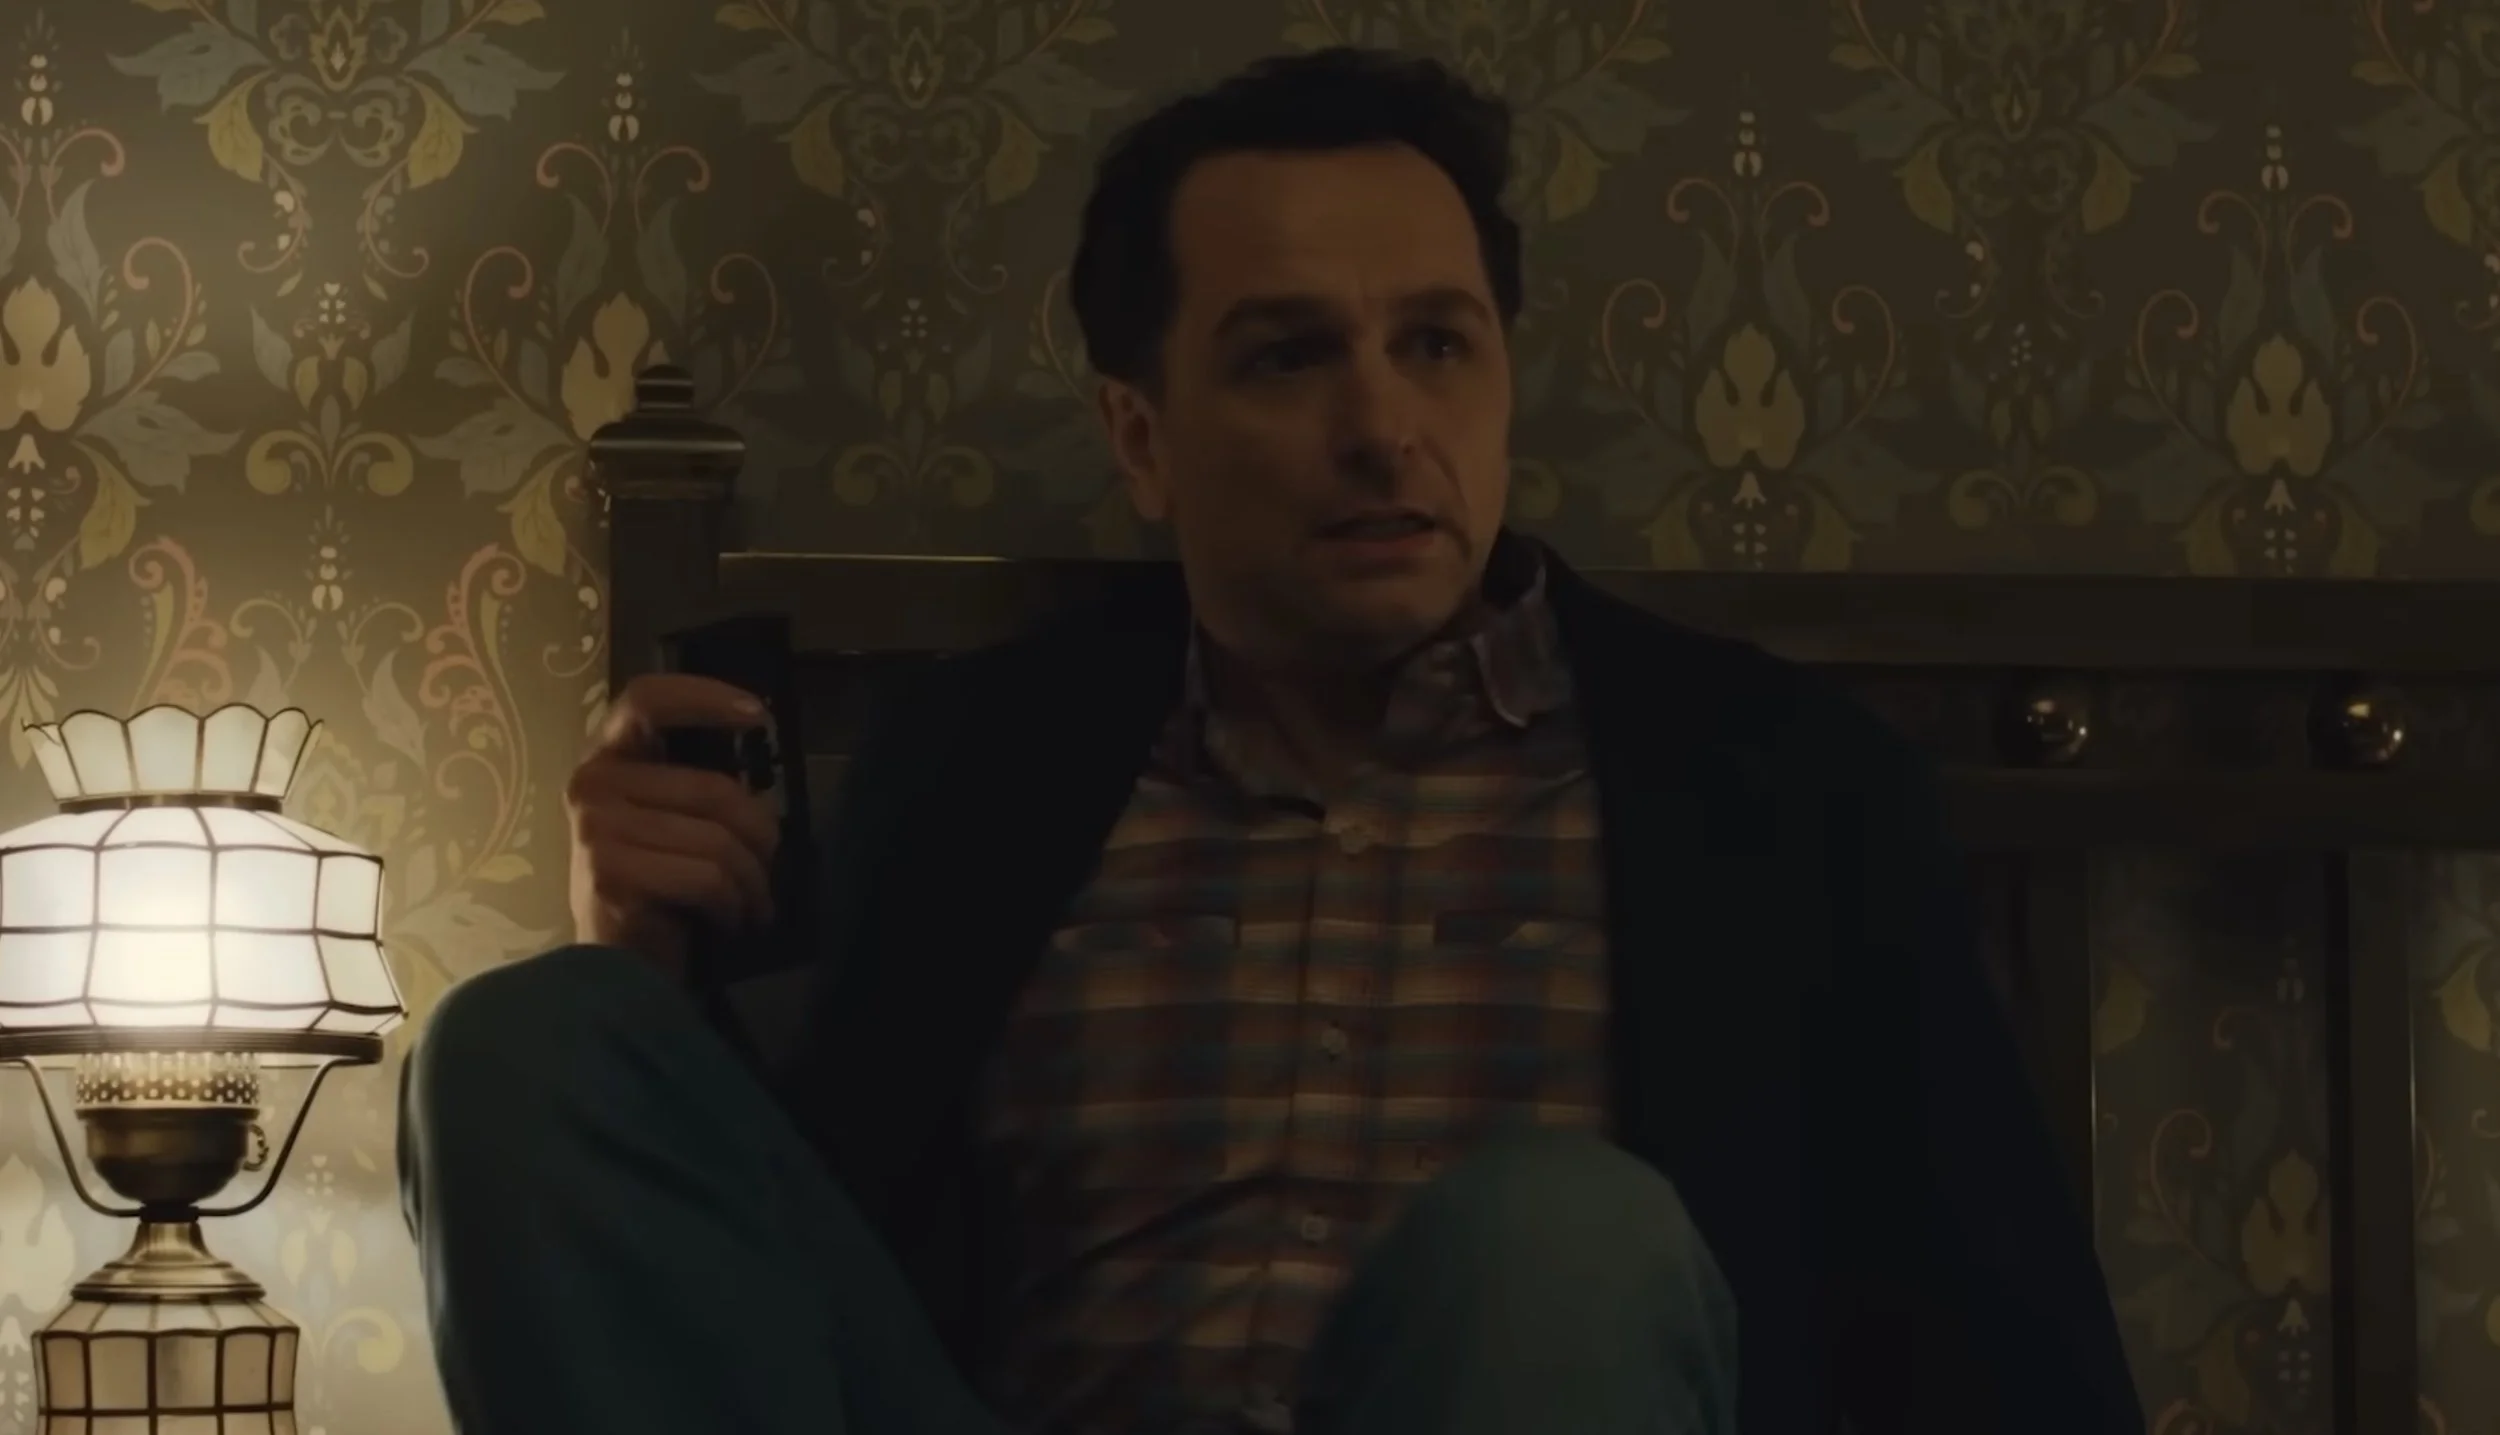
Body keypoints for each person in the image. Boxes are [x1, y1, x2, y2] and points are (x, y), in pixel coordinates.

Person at [397, 46, 2143, 1435]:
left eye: (1436, 343)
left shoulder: (1784, 787)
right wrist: (650, 969)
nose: (1384, 426)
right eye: (1289, 358)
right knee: (528, 1038)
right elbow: (782, 1289)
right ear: (1141, 437)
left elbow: (2014, 1364)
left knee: (1564, 1234)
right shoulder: (978, 767)